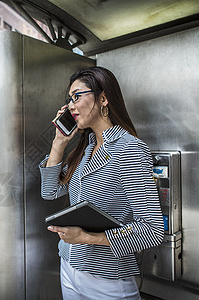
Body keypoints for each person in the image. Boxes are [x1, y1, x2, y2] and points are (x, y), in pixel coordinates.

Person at [39, 67, 164, 299]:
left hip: (107, 278)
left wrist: (87, 238)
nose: (71, 106)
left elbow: (153, 230)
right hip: (68, 265)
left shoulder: (129, 149)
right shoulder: (85, 149)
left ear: (103, 98)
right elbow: (49, 191)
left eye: (77, 96)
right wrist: (59, 143)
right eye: (69, 99)